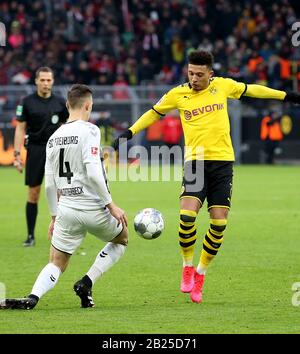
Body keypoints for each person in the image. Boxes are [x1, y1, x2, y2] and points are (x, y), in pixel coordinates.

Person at [112, 50, 300, 304]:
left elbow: (253, 90)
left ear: (210, 74)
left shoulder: (223, 86)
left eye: (200, 74)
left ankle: (200, 273)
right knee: (187, 216)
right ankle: (187, 266)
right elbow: (154, 112)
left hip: (223, 163)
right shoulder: (178, 94)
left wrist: (287, 96)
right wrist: (129, 132)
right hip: (195, 162)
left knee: (219, 222)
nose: (194, 78)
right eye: (191, 73)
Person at [2, 84, 128, 310]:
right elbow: (93, 170)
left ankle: (32, 297)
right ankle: (86, 282)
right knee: (122, 239)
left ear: (68, 105)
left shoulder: (53, 137)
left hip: (66, 209)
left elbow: (50, 184)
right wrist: (111, 205)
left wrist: (53, 216)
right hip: (93, 207)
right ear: (89, 105)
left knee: (57, 262)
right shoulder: (90, 130)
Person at [13, 67, 69, 247]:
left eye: (49, 80)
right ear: (36, 81)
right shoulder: (27, 102)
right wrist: (16, 155)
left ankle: (62, 235)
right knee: (34, 192)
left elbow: (70, 124)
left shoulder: (61, 102)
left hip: (56, 150)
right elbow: (20, 128)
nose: (46, 83)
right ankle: (30, 236)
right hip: (36, 149)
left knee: (61, 194)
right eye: (42, 80)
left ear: (53, 82)